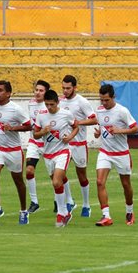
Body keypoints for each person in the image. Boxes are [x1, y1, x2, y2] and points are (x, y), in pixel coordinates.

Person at [0, 80, 32, 225]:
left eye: (0, 90)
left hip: (13, 150)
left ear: (8, 93)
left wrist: (12, 128)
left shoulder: (16, 109)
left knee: (18, 180)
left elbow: (29, 126)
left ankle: (23, 211)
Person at [93, 84, 138, 227]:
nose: (104, 103)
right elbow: (103, 126)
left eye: (106, 100)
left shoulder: (122, 111)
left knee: (126, 184)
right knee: (100, 182)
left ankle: (130, 211)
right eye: (101, 100)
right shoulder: (99, 111)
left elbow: (136, 129)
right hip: (105, 152)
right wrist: (99, 133)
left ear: (113, 97)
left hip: (121, 153)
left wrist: (119, 131)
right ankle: (106, 216)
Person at [33, 90, 79, 227]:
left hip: (63, 152)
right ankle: (66, 211)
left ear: (57, 102)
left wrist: (70, 137)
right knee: (58, 182)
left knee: (56, 182)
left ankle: (61, 212)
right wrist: (42, 132)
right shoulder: (41, 116)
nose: (49, 107)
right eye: (47, 104)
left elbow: (76, 127)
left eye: (51, 104)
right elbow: (35, 135)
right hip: (48, 154)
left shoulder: (65, 114)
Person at [60, 75, 97, 217]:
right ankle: (69, 200)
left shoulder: (82, 102)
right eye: (63, 88)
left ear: (75, 87)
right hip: (65, 144)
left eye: (68, 88)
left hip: (79, 144)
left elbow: (94, 119)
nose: (65, 91)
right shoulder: (61, 102)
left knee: (81, 175)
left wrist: (78, 123)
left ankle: (86, 204)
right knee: (60, 172)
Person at [25, 80, 50, 214]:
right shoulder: (31, 103)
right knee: (29, 170)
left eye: (41, 90)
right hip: (34, 142)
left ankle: (64, 201)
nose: (38, 93)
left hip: (49, 144)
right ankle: (34, 202)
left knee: (56, 176)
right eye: (36, 90)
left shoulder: (51, 106)